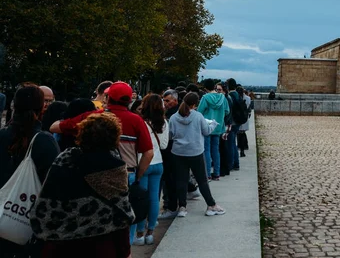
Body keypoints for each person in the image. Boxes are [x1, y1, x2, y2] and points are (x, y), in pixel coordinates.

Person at [31, 113, 134, 258]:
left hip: (60, 244)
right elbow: (122, 215)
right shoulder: (114, 167)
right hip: (101, 245)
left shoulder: (65, 159)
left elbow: (45, 200)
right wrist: (125, 251)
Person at [0, 84, 61, 257]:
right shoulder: (45, 142)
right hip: (27, 222)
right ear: (42, 107)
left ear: (13, 106)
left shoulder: (2, 135)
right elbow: (52, 184)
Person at [166, 92, 225, 218]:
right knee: (202, 180)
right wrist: (213, 124)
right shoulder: (198, 116)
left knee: (181, 180)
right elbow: (206, 131)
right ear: (195, 104)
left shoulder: (173, 117)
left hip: (178, 152)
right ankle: (211, 205)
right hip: (195, 151)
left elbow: (170, 135)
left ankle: (182, 207)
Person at [132, 94, 167, 246]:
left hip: (143, 162)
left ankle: (139, 233)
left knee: (140, 199)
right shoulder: (164, 122)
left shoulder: (140, 121)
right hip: (158, 161)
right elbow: (164, 145)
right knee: (154, 199)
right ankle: (150, 232)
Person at [197, 79, 229, 180]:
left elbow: (199, 112)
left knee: (206, 149)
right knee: (216, 150)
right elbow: (227, 111)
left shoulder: (205, 98)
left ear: (205, 88)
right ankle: (217, 173)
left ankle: (207, 174)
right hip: (218, 126)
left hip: (207, 126)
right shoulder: (222, 97)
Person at [237, 88, 252, 157]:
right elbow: (248, 106)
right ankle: (243, 148)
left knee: (239, 134)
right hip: (244, 116)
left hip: (238, 117)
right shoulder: (248, 98)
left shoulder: (236, 98)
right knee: (242, 133)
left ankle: (240, 147)